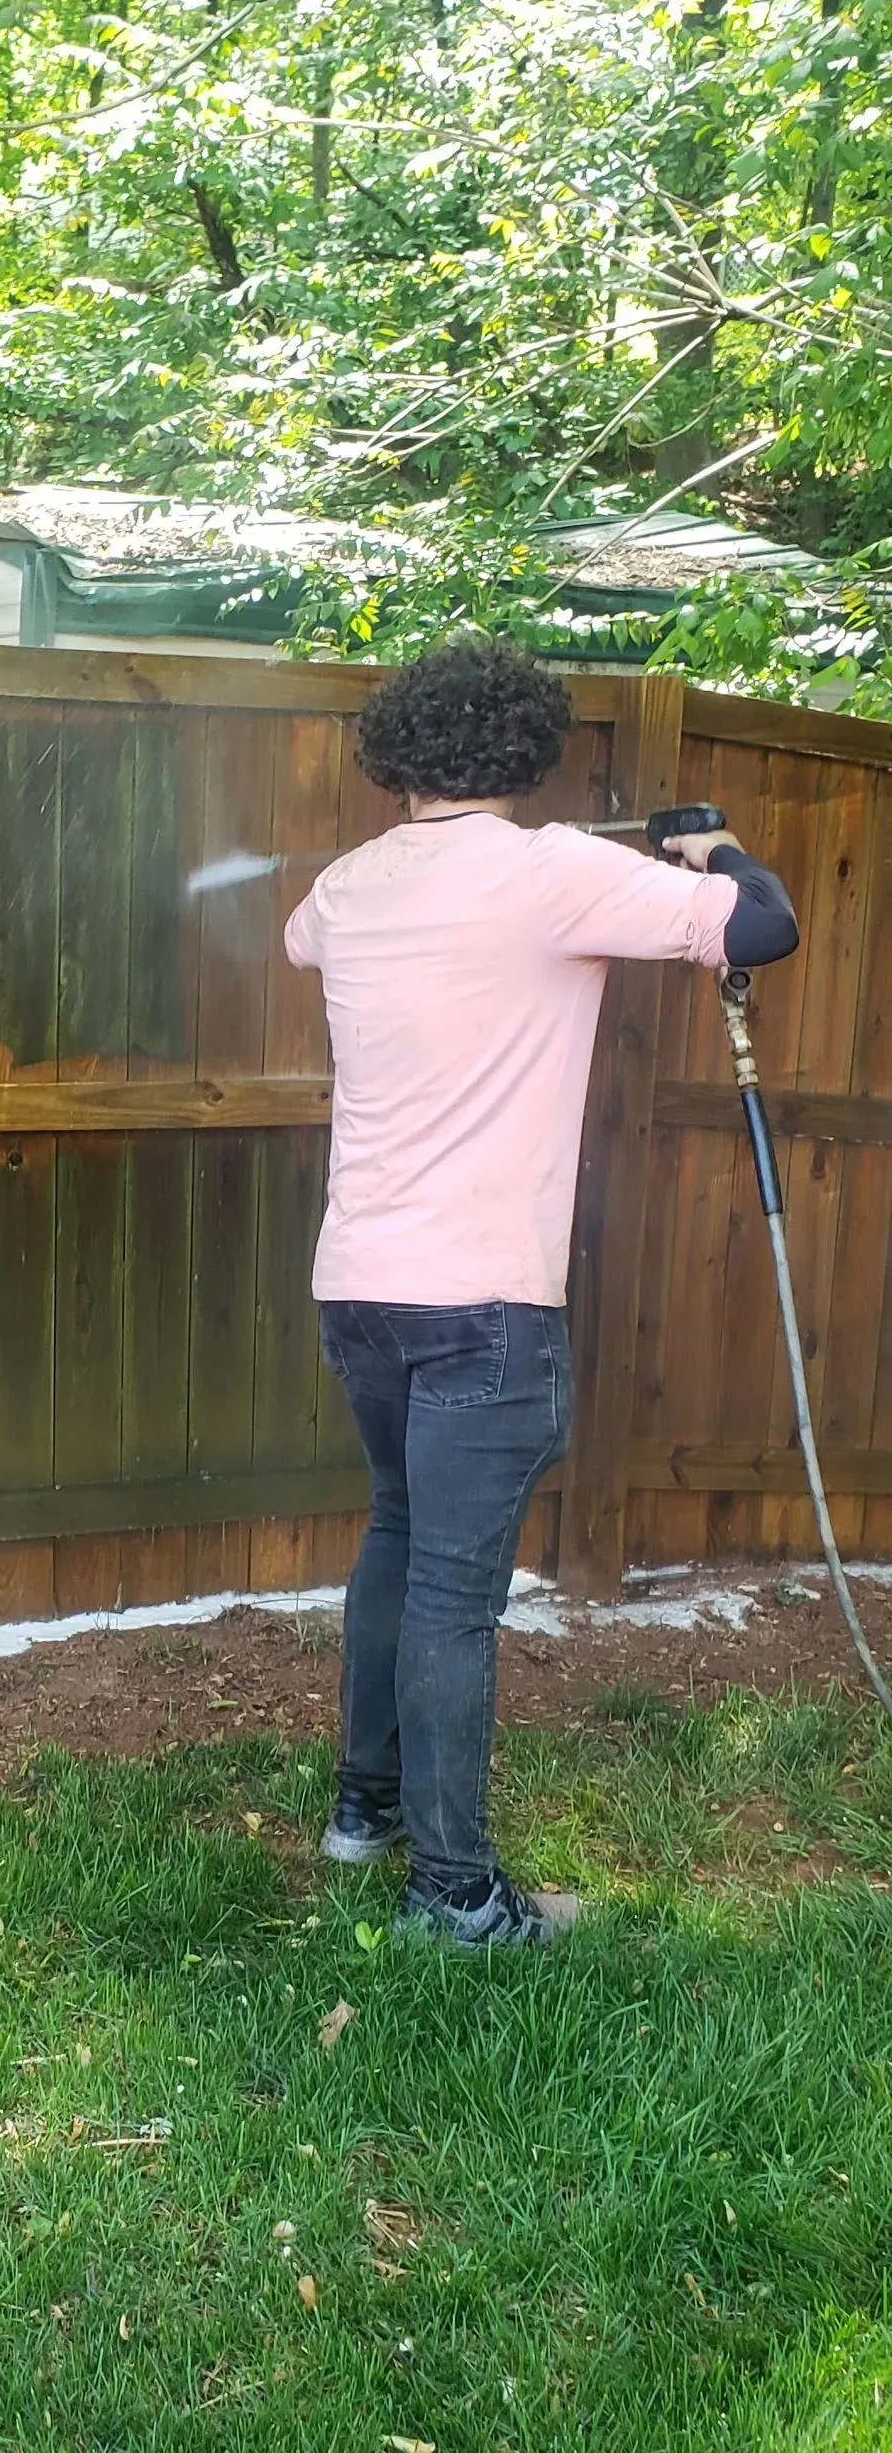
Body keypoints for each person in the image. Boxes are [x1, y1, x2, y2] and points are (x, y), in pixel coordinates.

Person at [282, 635, 800, 1947]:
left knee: (398, 1541)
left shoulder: (344, 889)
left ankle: (367, 1811)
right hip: (485, 1306)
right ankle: (456, 1899)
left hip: (361, 1292)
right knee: (454, 1590)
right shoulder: (551, 871)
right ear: (524, 747)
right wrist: (712, 854)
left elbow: (301, 938)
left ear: (396, 753)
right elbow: (765, 925)